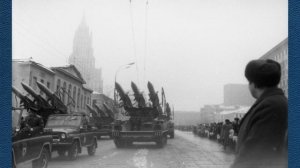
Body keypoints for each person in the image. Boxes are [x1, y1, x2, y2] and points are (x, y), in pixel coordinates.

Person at [231, 59, 287, 168]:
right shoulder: (273, 102)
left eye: (249, 82)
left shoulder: (271, 106)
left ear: (254, 84)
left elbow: (253, 156)